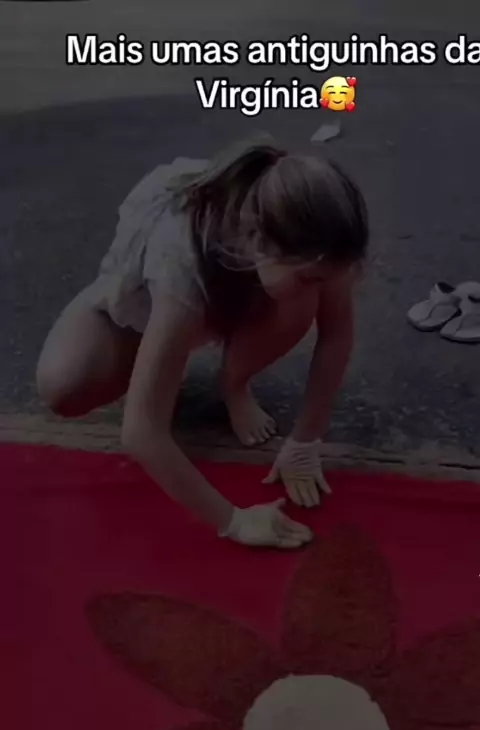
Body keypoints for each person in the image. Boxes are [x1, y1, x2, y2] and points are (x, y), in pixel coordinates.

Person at [36, 138, 368, 550]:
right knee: (64, 386)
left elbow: (336, 334)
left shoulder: (318, 237)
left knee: (298, 296)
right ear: (258, 240)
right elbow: (141, 432)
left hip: (233, 291)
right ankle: (156, 350)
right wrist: (234, 521)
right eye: (309, 277)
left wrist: (305, 440)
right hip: (147, 305)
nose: (323, 287)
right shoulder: (182, 259)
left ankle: (233, 383)